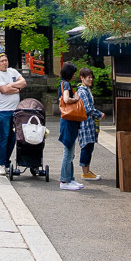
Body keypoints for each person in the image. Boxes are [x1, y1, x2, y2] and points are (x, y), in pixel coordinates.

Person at [0, 52, 26, 175]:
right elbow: (4, 90)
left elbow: (23, 83)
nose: (5, 63)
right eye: (2, 61)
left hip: (16, 109)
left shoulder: (12, 71)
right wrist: (15, 88)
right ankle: (0, 163)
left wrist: (11, 86)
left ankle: (6, 162)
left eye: (6, 60)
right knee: (4, 136)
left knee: (13, 137)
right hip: (3, 110)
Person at [76, 67, 105, 181]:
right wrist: (99, 113)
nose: (90, 79)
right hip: (85, 124)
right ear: (82, 78)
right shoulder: (82, 91)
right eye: (88, 77)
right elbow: (88, 108)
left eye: (91, 77)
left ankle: (87, 170)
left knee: (89, 146)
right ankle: (85, 172)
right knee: (86, 147)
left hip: (88, 123)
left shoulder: (86, 90)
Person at [58, 62, 83, 191]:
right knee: (68, 153)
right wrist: (77, 98)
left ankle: (70, 179)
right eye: (73, 73)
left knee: (70, 153)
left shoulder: (63, 83)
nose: (74, 75)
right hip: (68, 121)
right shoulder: (66, 84)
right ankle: (64, 180)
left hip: (68, 121)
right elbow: (67, 100)